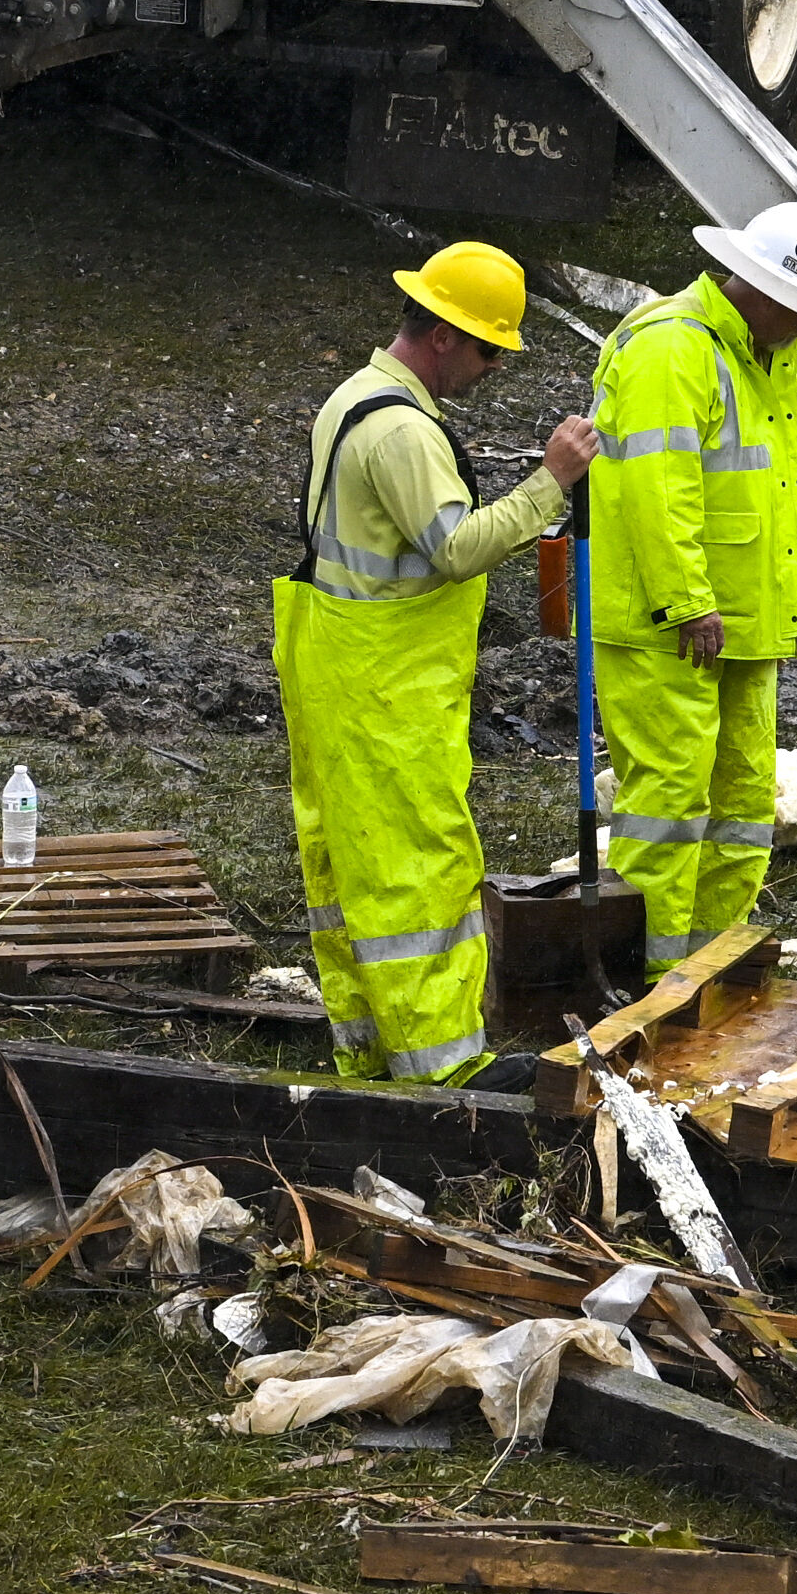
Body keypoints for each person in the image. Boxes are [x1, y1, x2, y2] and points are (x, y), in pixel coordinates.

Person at [273, 242, 597, 1085]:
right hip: (389, 680)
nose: (492, 367)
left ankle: (371, 1045)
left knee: (352, 860)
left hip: (342, 664)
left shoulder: (353, 398)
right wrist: (550, 483)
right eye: (491, 348)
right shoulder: (403, 432)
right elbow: (455, 549)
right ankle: (444, 1068)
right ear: (446, 334)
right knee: (421, 864)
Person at [581, 198, 797, 974]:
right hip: (667, 623)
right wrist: (687, 599)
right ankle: (648, 980)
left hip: (740, 624)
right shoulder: (673, 348)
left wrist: (785, 611)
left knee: (740, 807)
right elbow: (655, 487)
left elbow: (771, 495)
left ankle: (711, 971)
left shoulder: (761, 356)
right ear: (763, 292)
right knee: (669, 804)